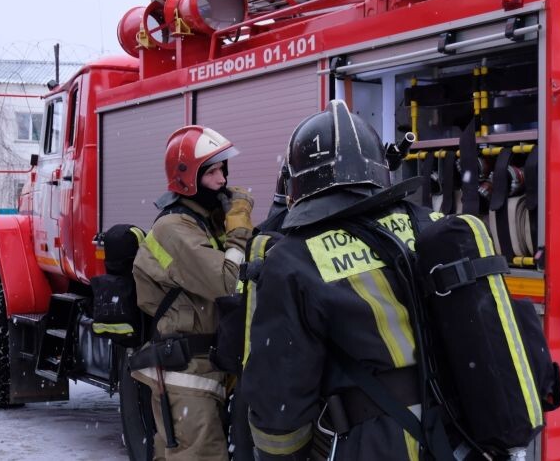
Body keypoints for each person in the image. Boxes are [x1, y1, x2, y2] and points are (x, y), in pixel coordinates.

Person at [240, 99, 450, 461]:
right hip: (456, 430)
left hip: (375, 444)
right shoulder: (431, 223)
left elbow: (280, 396)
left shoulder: (292, 261)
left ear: (296, 183)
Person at [131, 125, 254, 461]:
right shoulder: (173, 229)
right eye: (211, 172)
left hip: (205, 366)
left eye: (222, 170)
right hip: (187, 375)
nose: (222, 180)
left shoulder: (204, 222)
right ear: (187, 179)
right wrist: (239, 231)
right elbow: (228, 283)